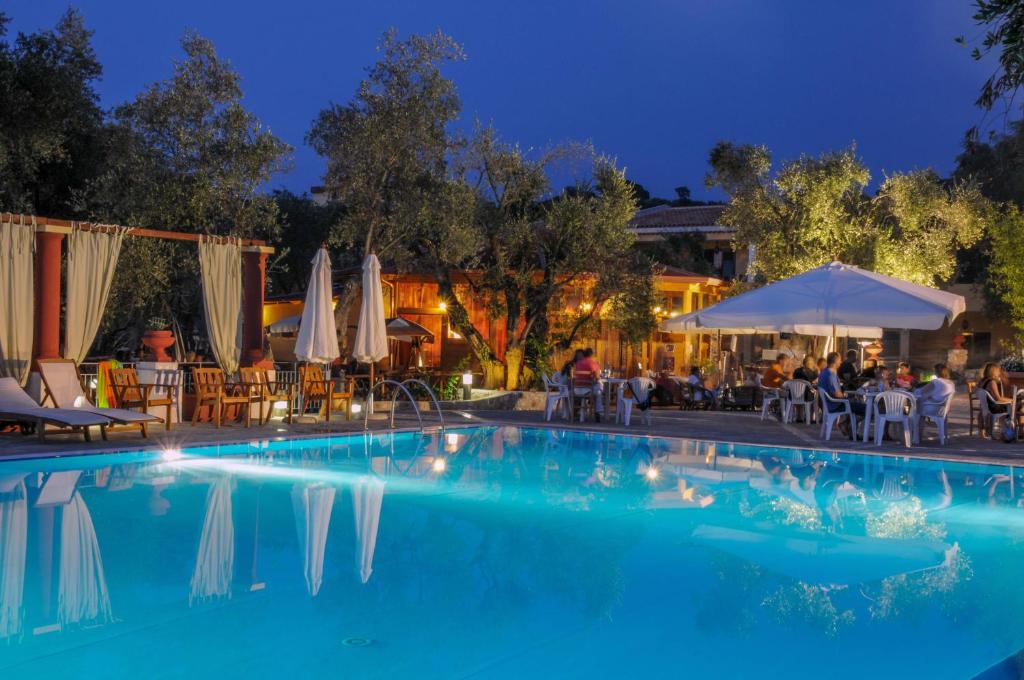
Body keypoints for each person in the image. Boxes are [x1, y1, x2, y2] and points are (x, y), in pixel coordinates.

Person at [820, 351, 866, 422]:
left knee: (856, 405)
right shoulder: (831, 375)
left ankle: (847, 424)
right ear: (835, 361)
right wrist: (848, 397)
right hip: (836, 405)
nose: (840, 362)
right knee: (866, 409)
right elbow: (837, 394)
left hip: (830, 404)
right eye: (839, 360)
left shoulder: (824, 372)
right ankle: (846, 424)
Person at [573, 347, 605, 421]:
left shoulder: (578, 363)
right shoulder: (594, 363)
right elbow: (597, 378)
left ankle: (596, 410)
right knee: (599, 390)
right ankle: (598, 411)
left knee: (598, 389)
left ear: (584, 354)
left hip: (576, 390)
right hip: (587, 390)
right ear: (592, 355)